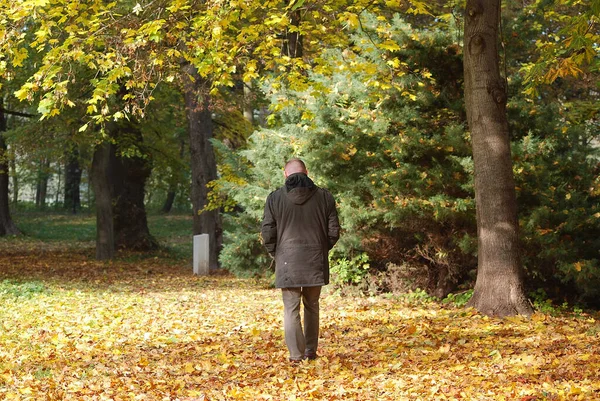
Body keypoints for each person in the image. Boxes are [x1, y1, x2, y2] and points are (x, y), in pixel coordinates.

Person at [261, 158, 340, 363]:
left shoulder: (275, 198)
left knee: (291, 308)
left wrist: (276, 253)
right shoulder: (325, 197)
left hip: (287, 260)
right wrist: (321, 249)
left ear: (285, 174)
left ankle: (296, 355)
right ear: (306, 172)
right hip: (315, 259)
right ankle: (310, 351)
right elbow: (333, 231)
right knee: (312, 305)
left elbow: (268, 232)